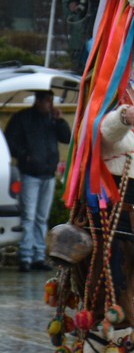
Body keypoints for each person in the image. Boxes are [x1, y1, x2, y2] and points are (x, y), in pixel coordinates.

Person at [56, 0, 134, 353]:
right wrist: (125, 119)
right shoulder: (102, 98)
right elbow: (100, 134)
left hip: (131, 216)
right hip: (106, 212)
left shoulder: (132, 97)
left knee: (122, 287)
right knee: (107, 287)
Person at [5, 90, 70, 272]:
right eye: (47, 101)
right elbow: (10, 142)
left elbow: (66, 138)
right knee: (29, 216)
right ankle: (25, 256)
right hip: (30, 174)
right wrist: (26, 156)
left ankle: (38, 256)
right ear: (38, 101)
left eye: (51, 101)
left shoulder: (51, 119)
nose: (50, 105)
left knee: (42, 217)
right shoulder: (23, 118)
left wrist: (59, 121)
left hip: (48, 174)